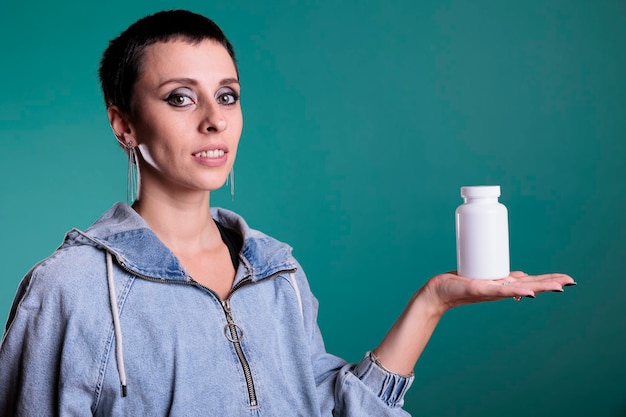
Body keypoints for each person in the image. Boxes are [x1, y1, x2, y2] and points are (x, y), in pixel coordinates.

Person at [0, 9, 575, 417]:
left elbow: (324, 407)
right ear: (123, 124)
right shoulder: (70, 289)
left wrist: (433, 303)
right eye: (180, 97)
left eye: (227, 95)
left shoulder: (276, 272)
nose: (214, 119)